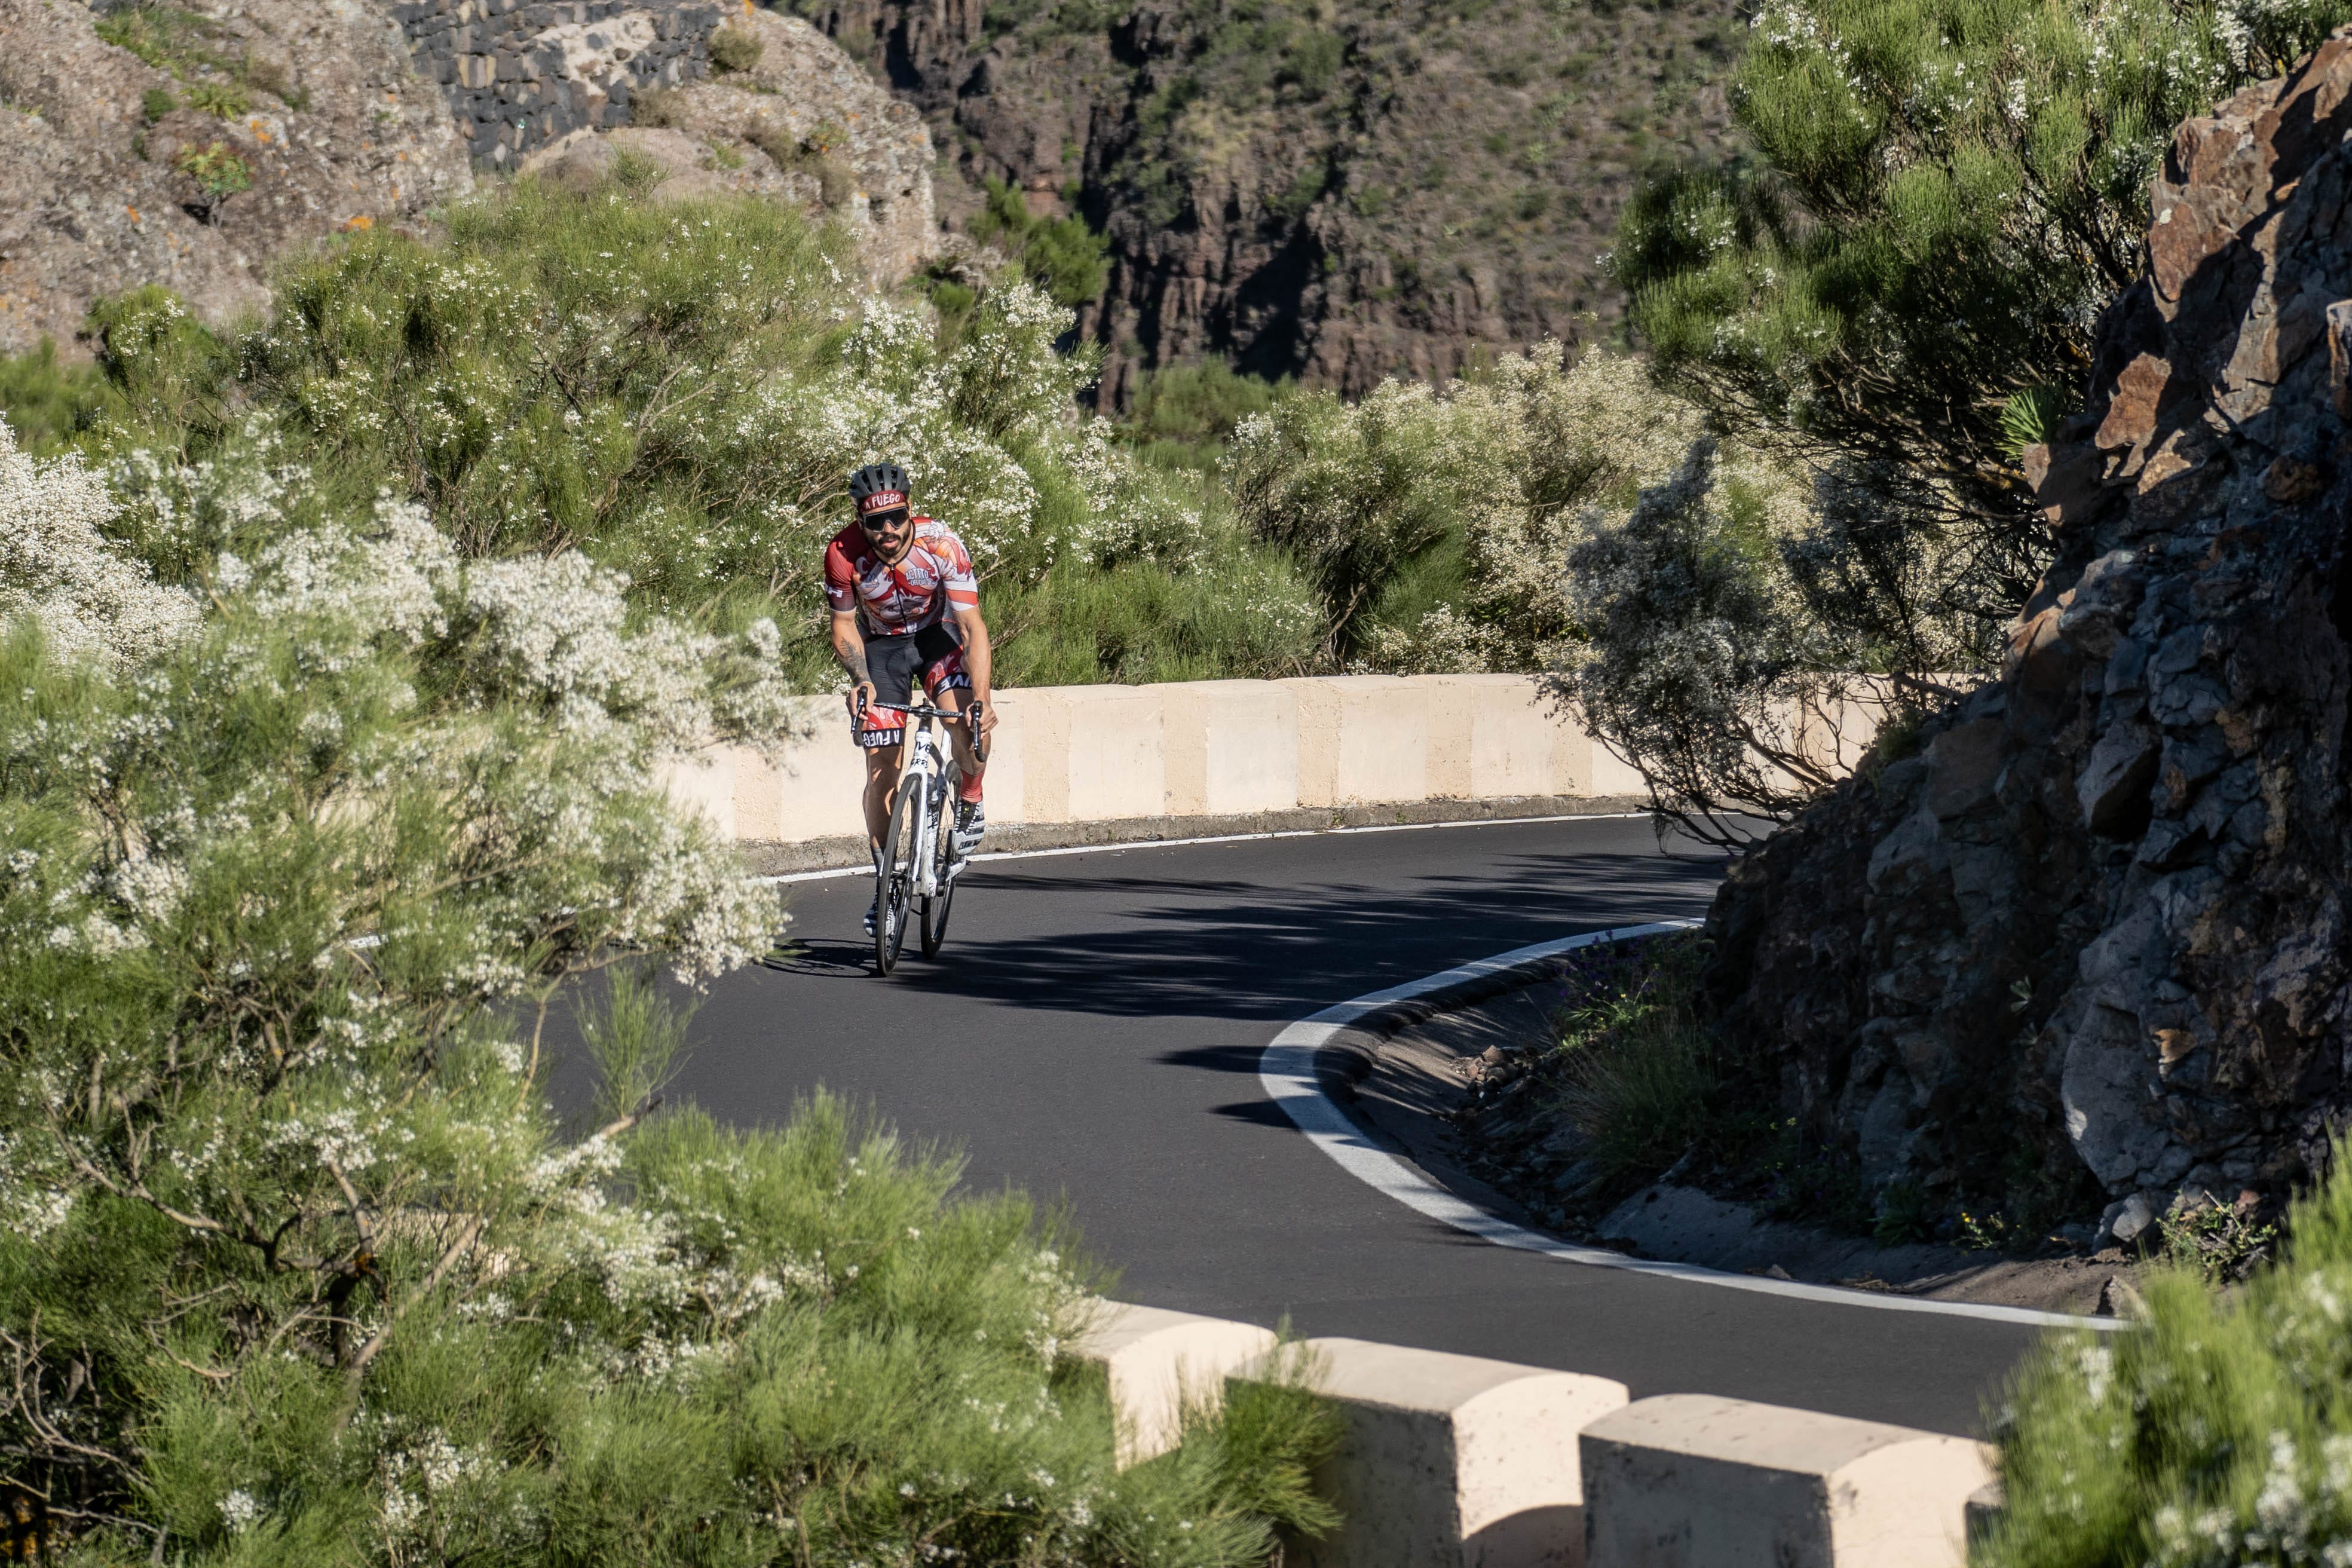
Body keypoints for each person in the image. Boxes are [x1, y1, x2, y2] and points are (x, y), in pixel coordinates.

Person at [824, 463, 997, 932]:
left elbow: (972, 627)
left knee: (968, 724)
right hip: (882, 649)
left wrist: (981, 699)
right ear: (861, 523)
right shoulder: (842, 554)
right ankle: (887, 886)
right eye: (875, 522)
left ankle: (971, 796)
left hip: (938, 637)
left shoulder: (942, 544)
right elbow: (843, 624)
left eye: (896, 517)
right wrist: (860, 678)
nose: (888, 531)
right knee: (881, 767)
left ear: (910, 511)